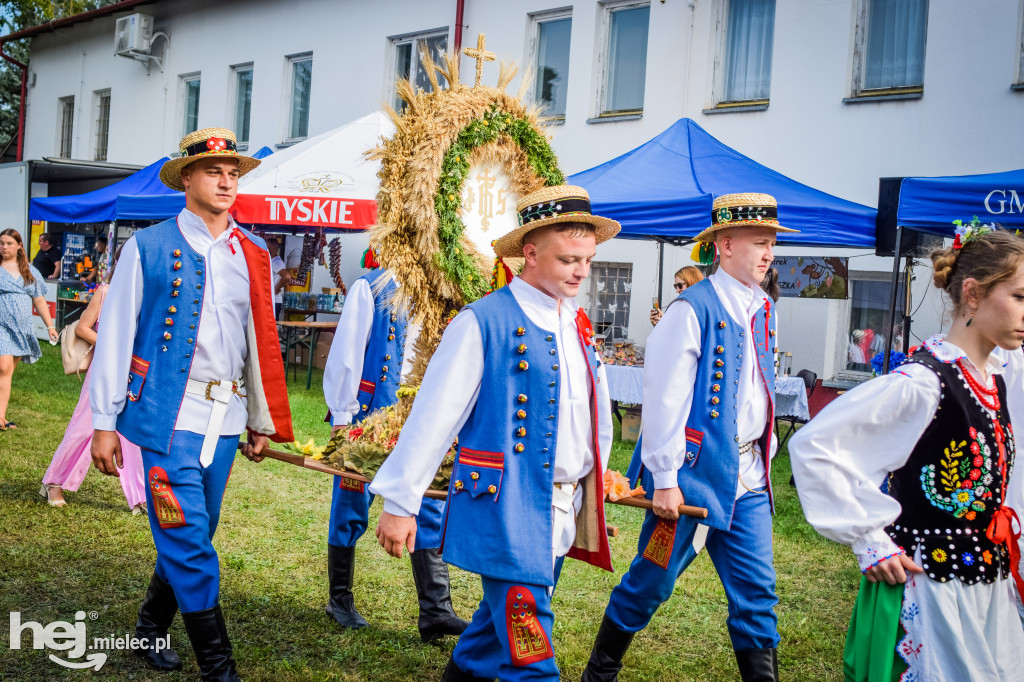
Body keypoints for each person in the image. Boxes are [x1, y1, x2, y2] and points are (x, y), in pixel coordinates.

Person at [371, 185, 618, 681]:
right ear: (529, 253)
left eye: (587, 260)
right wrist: (401, 503)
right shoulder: (482, 321)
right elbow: (434, 417)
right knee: (532, 658)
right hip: (508, 509)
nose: (581, 271)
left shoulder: (577, 324)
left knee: (488, 638)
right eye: (569, 259)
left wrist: (592, 492)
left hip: (561, 508)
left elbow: (592, 415)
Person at [90, 127, 293, 681]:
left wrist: (258, 418)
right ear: (187, 179)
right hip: (165, 418)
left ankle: (149, 627)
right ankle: (218, 669)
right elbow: (115, 337)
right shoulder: (148, 247)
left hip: (224, 420)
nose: (227, 181)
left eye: (233, 173)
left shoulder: (253, 252)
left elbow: (258, 340)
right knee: (188, 540)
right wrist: (104, 423)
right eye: (214, 171)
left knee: (191, 535)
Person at [789, 225, 1024, 680]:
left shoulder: (994, 376)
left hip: (986, 588)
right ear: (972, 295)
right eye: (1019, 296)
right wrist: (871, 541)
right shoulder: (924, 383)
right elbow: (816, 446)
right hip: (933, 589)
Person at [582, 193, 797, 682]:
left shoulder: (765, 308)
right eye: (759, 243)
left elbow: (757, 390)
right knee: (651, 583)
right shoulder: (691, 309)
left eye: (772, 244)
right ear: (724, 244)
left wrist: (766, 452)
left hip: (748, 481)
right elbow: (663, 401)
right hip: (690, 479)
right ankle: (599, 674)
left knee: (759, 596)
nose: (769, 254)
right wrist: (664, 477)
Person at [322, 259, 468, 641]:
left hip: (423, 418)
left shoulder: (445, 291)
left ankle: (436, 611)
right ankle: (339, 599)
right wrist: (342, 417)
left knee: (430, 504)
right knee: (351, 504)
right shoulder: (372, 287)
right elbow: (347, 351)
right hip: (373, 418)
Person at [40, 248, 146, 510]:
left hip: (134, 373)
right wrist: (112, 346)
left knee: (133, 436)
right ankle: (53, 482)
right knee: (83, 427)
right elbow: (82, 327)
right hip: (105, 368)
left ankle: (140, 496)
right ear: (118, 263)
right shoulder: (106, 291)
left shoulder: (148, 296)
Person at [0, 228, 59, 431]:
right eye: (1, 243)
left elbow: (40, 301)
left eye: (8, 243)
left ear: (19, 246)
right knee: (4, 368)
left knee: (6, 374)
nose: (4, 247)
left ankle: (1, 416)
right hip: (1, 326)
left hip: (21, 329)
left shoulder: (30, 271)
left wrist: (50, 326)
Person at [267, 237, 287, 320]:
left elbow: (287, 276)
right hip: (272, 300)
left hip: (274, 300)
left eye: (266, 246)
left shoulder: (276, 262)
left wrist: (277, 287)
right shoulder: (273, 261)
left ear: (271, 247)